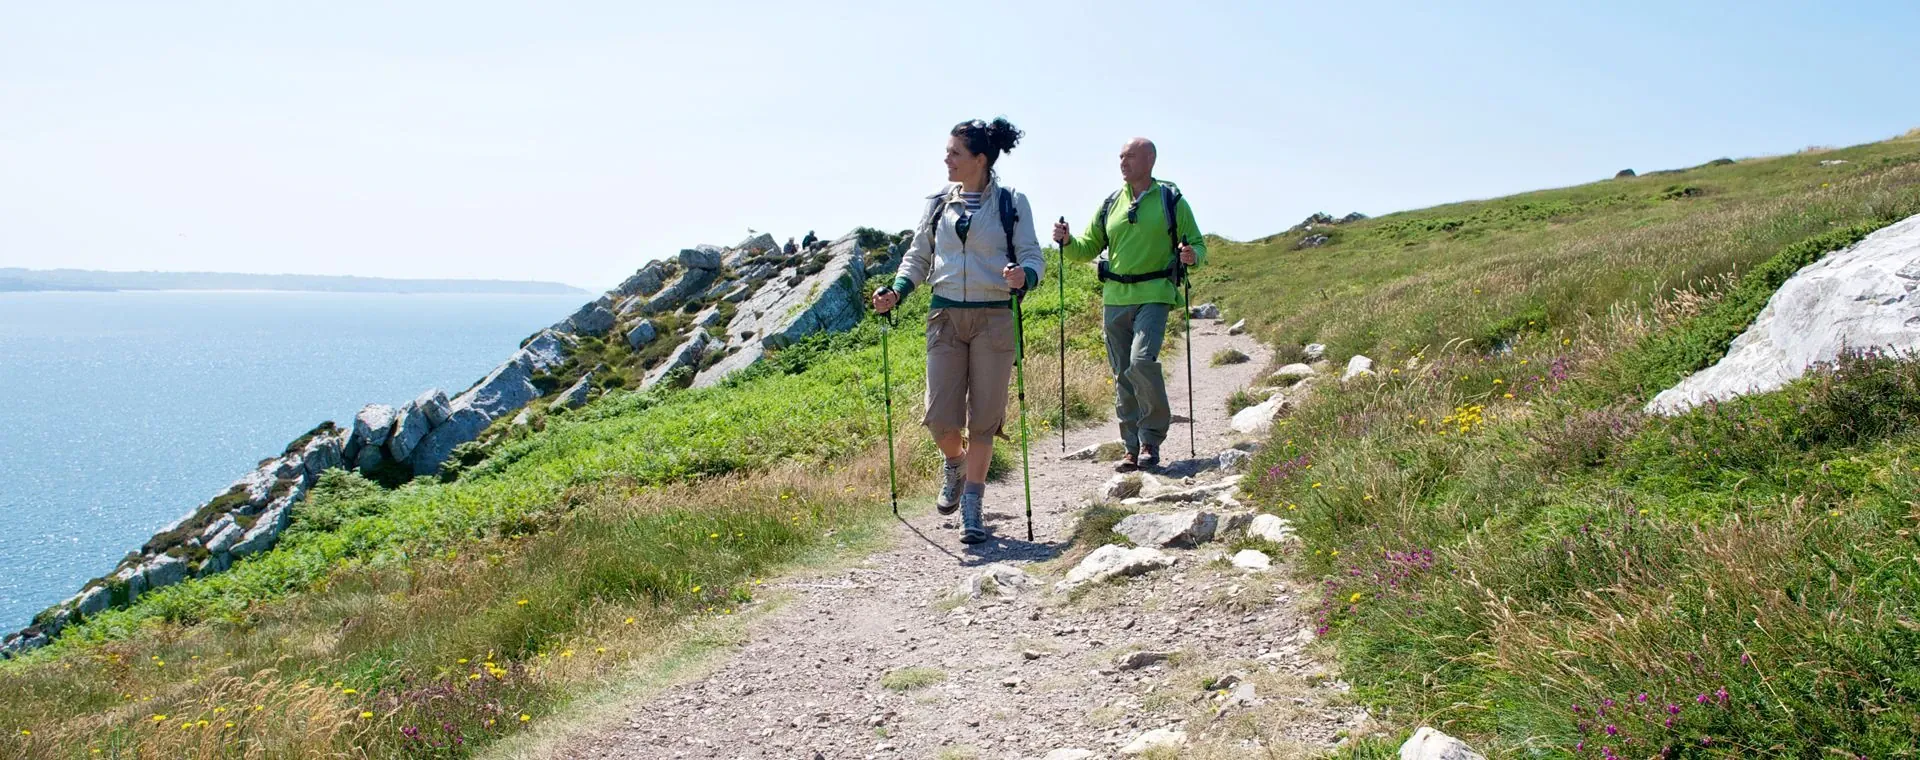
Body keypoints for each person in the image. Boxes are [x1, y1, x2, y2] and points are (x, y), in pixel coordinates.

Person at [872, 117, 1045, 544]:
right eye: (947, 152)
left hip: (995, 316)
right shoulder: (936, 205)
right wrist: (896, 291)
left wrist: (1024, 276)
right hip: (945, 315)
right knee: (939, 418)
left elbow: (1032, 256)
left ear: (979, 160)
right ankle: (955, 461)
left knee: (984, 419)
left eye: (955, 152)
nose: (946, 159)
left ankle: (973, 508)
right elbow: (916, 257)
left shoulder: (1011, 202)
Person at [1054, 138, 1206, 472]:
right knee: (1122, 372)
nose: (1123, 162)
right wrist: (1067, 241)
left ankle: (1151, 437)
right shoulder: (1111, 202)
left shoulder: (1171, 199)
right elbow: (1088, 247)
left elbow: (1197, 242)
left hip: (1155, 294)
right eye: (1121, 156)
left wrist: (1192, 255)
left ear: (1150, 160)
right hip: (1114, 299)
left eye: (1130, 156)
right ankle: (1131, 447)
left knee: (1141, 361)